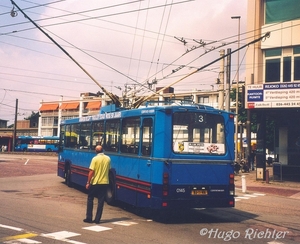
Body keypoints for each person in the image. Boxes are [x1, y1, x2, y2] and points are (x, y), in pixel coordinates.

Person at [83, 145, 111, 224]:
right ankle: (97, 219)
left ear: (96, 151)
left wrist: (88, 182)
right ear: (103, 150)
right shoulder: (108, 159)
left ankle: (89, 217)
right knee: (101, 201)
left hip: (95, 182)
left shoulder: (95, 159)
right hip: (105, 182)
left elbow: (91, 171)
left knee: (90, 198)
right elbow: (109, 170)